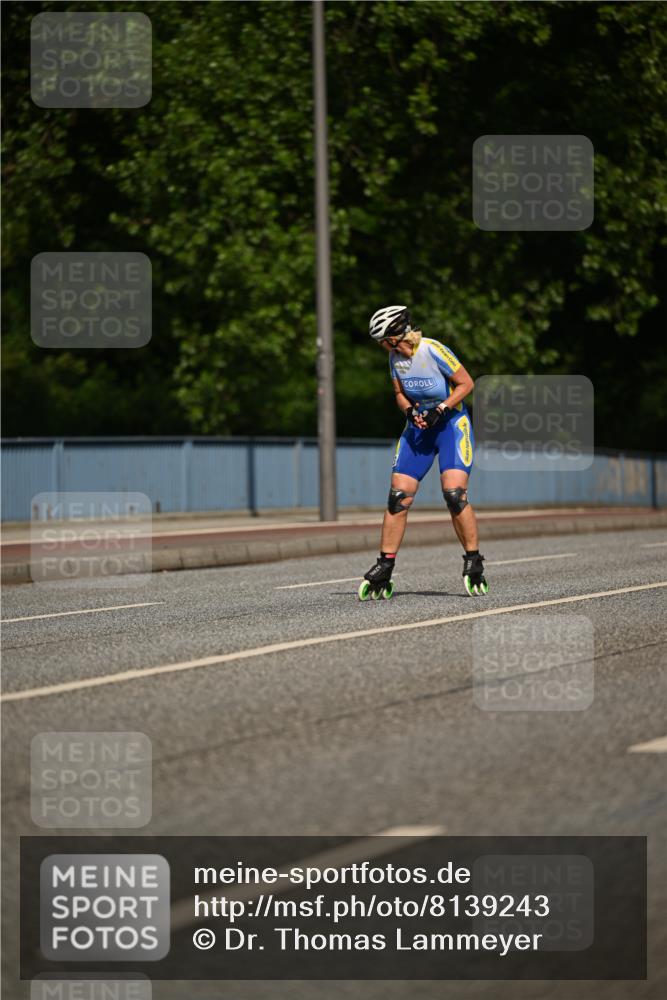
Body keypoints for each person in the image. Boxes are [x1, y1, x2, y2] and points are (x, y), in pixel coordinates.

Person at [358, 304, 488, 600]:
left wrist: (441, 409)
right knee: (397, 497)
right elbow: (399, 394)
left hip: (451, 426)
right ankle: (385, 565)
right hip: (419, 429)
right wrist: (409, 411)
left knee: (454, 494)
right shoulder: (394, 359)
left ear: (394, 335)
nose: (381, 346)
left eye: (383, 340)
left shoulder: (433, 350)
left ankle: (473, 559)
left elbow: (466, 383)